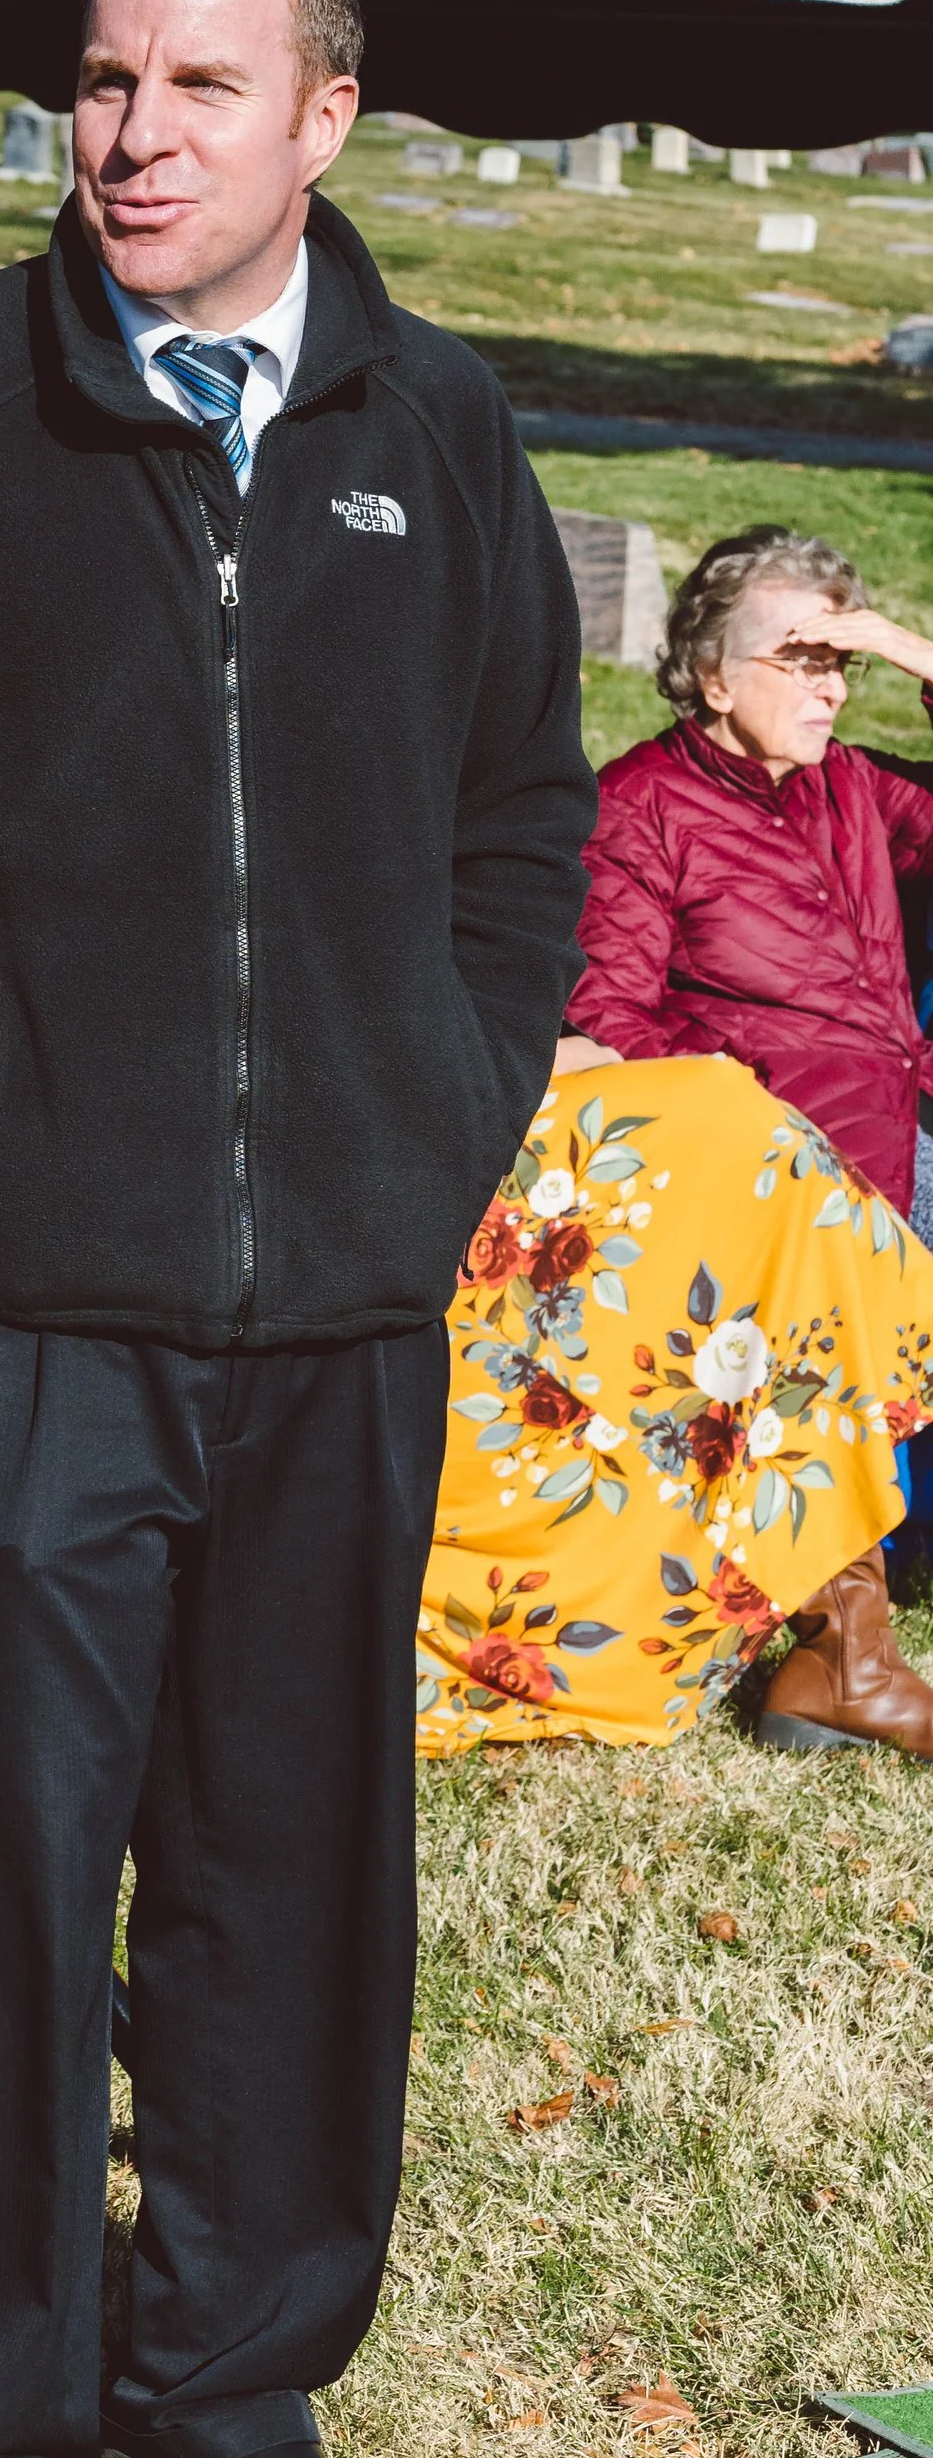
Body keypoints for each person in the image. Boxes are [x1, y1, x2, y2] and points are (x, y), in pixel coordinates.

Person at [0, 0, 594, 2458]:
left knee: (288, 1862)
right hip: (27, 1309)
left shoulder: (430, 432)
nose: (128, 137)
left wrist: (427, 1126)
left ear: (323, 118)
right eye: (102, 82)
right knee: (3, 1868)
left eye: (198, 85)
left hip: (337, 1304)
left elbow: (516, 833)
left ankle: (241, 2379)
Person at [510, 523, 933, 1755]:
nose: (827, 687)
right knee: (837, 1268)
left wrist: (903, 647)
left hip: (903, 1128)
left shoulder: (849, 785)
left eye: (837, 662)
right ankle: (840, 1649)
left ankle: (842, 1637)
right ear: (708, 672)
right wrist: (759, 1135)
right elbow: (614, 1032)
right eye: (797, 657)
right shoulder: (643, 808)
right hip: (783, 1170)